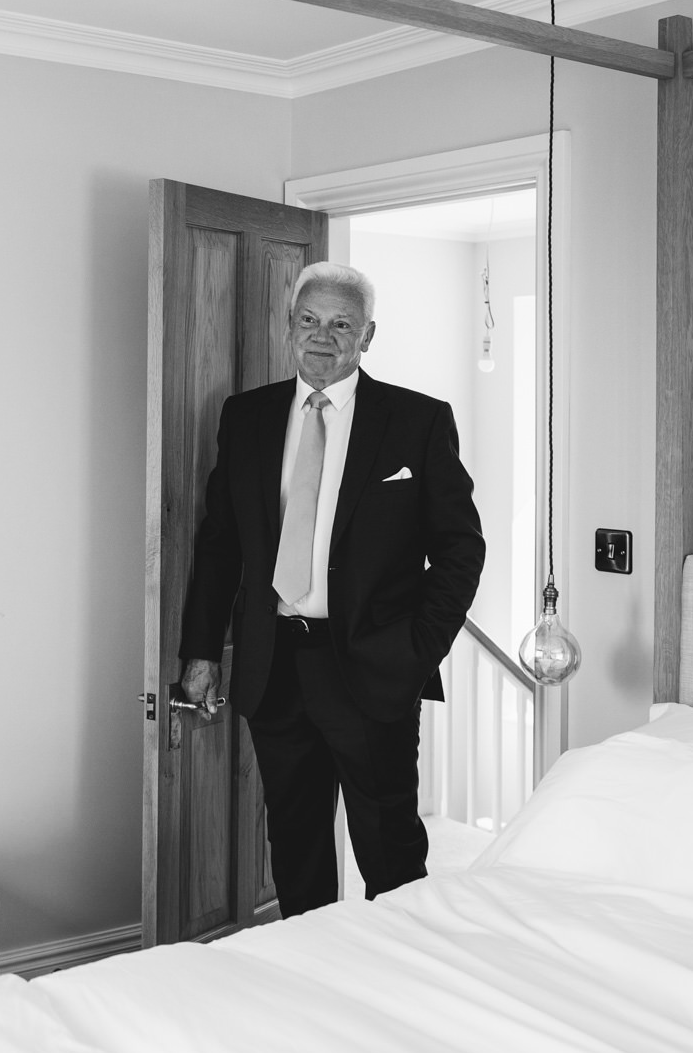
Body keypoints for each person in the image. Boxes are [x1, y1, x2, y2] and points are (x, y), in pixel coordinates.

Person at [178, 262, 486, 919]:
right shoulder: (248, 417)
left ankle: (405, 978)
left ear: (367, 335)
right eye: (309, 321)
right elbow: (221, 544)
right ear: (288, 326)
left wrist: (415, 651)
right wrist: (201, 652)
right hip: (274, 665)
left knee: (390, 849)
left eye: (341, 324)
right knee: (295, 844)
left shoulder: (417, 422)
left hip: (372, 670)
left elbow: (461, 550)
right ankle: (310, 982)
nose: (323, 338)